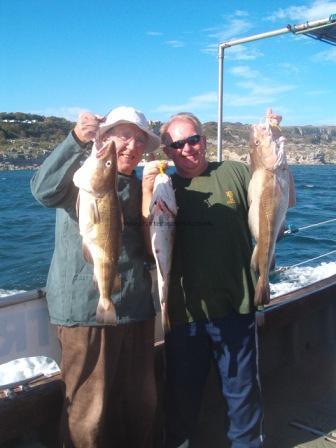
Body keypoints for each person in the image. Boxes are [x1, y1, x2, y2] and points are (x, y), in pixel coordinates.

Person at [142, 112, 295, 448]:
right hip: (185, 317)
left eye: (193, 139)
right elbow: (148, 245)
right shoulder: (164, 187)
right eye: (177, 144)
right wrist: (144, 192)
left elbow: (281, 198)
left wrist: (273, 143)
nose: (187, 149)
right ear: (167, 151)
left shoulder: (235, 173)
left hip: (237, 306)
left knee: (242, 398)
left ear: (204, 139)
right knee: (181, 397)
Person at [31, 106, 160, 448]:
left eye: (139, 140)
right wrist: (76, 139)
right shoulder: (82, 180)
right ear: (103, 139)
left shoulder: (143, 185)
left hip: (136, 309)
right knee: (88, 411)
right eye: (122, 135)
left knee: (139, 404)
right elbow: (42, 191)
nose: (130, 146)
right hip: (86, 311)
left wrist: (150, 199)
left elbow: (152, 251)